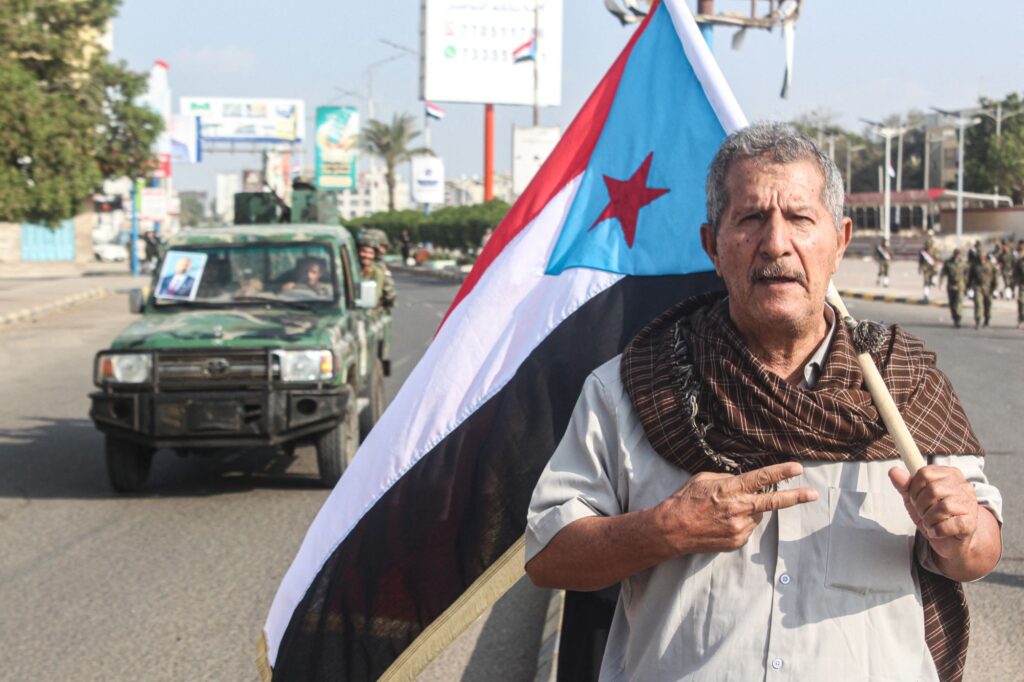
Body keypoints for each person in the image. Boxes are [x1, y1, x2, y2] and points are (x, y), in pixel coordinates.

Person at [525, 123, 1001, 681]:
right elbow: (548, 555)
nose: (776, 243)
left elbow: (978, 552)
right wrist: (663, 530)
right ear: (712, 245)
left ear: (840, 241)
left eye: (800, 218)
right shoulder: (636, 387)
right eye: (750, 219)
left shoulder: (903, 384)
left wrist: (961, 530)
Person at [357, 236, 396, 310]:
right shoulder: (351, 268)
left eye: (370, 253)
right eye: (363, 251)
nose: (366, 255)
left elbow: (388, 294)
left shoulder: (377, 272)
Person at [968, 252, 997, 329]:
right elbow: (970, 276)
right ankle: (978, 320)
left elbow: (995, 276)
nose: (981, 257)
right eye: (980, 256)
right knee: (978, 304)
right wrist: (968, 286)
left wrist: (995, 288)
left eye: (982, 256)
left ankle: (987, 320)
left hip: (988, 288)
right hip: (978, 287)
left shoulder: (990, 265)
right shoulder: (974, 265)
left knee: (988, 305)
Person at [939, 248, 967, 328]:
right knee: (952, 303)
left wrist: (967, 284)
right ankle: (955, 318)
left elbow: (967, 273)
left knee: (959, 302)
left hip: (960, 286)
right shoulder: (948, 263)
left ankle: (958, 317)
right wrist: (941, 283)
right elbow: (943, 273)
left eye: (958, 254)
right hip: (951, 286)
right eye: (956, 254)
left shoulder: (963, 263)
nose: (957, 256)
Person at [918, 236, 939, 301]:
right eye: (926, 244)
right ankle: (926, 295)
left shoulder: (935, 250)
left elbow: (937, 259)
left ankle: (933, 282)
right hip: (926, 268)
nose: (927, 246)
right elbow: (920, 261)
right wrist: (919, 268)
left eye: (928, 244)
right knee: (926, 281)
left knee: (932, 279)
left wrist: (936, 265)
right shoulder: (923, 252)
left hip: (933, 268)